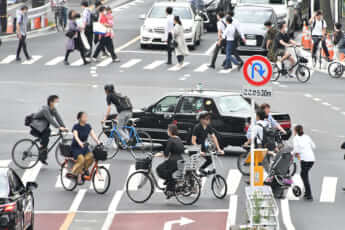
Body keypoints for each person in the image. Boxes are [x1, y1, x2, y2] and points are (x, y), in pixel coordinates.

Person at [30, 95, 68, 165]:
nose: (57, 103)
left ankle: (42, 155)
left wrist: (64, 127)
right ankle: (41, 155)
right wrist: (59, 127)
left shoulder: (53, 109)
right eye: (56, 102)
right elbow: (50, 119)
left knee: (46, 136)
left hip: (43, 127)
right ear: (51, 102)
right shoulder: (45, 109)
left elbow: (58, 117)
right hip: (36, 126)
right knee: (46, 138)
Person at [69, 112, 101, 184]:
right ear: (79, 118)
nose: (86, 118)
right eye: (84, 117)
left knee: (91, 157)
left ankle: (83, 170)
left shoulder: (88, 126)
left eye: (86, 116)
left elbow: (93, 135)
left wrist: (98, 142)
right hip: (76, 147)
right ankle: (73, 173)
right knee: (81, 159)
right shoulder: (76, 126)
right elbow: (76, 136)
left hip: (84, 147)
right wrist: (80, 142)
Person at [155, 124, 184, 198]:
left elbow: (166, 154)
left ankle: (170, 185)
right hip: (181, 160)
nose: (167, 131)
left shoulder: (170, 140)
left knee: (159, 169)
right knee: (170, 173)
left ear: (170, 131)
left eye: (167, 130)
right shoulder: (179, 139)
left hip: (173, 161)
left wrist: (157, 155)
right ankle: (169, 187)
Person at [292, 125, 315, 201]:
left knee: (304, 176)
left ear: (295, 131)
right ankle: (307, 193)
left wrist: (292, 153)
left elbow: (295, 150)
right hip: (311, 159)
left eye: (294, 130)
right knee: (304, 174)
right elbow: (314, 146)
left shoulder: (296, 138)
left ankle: (309, 194)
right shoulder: (307, 137)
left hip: (304, 159)